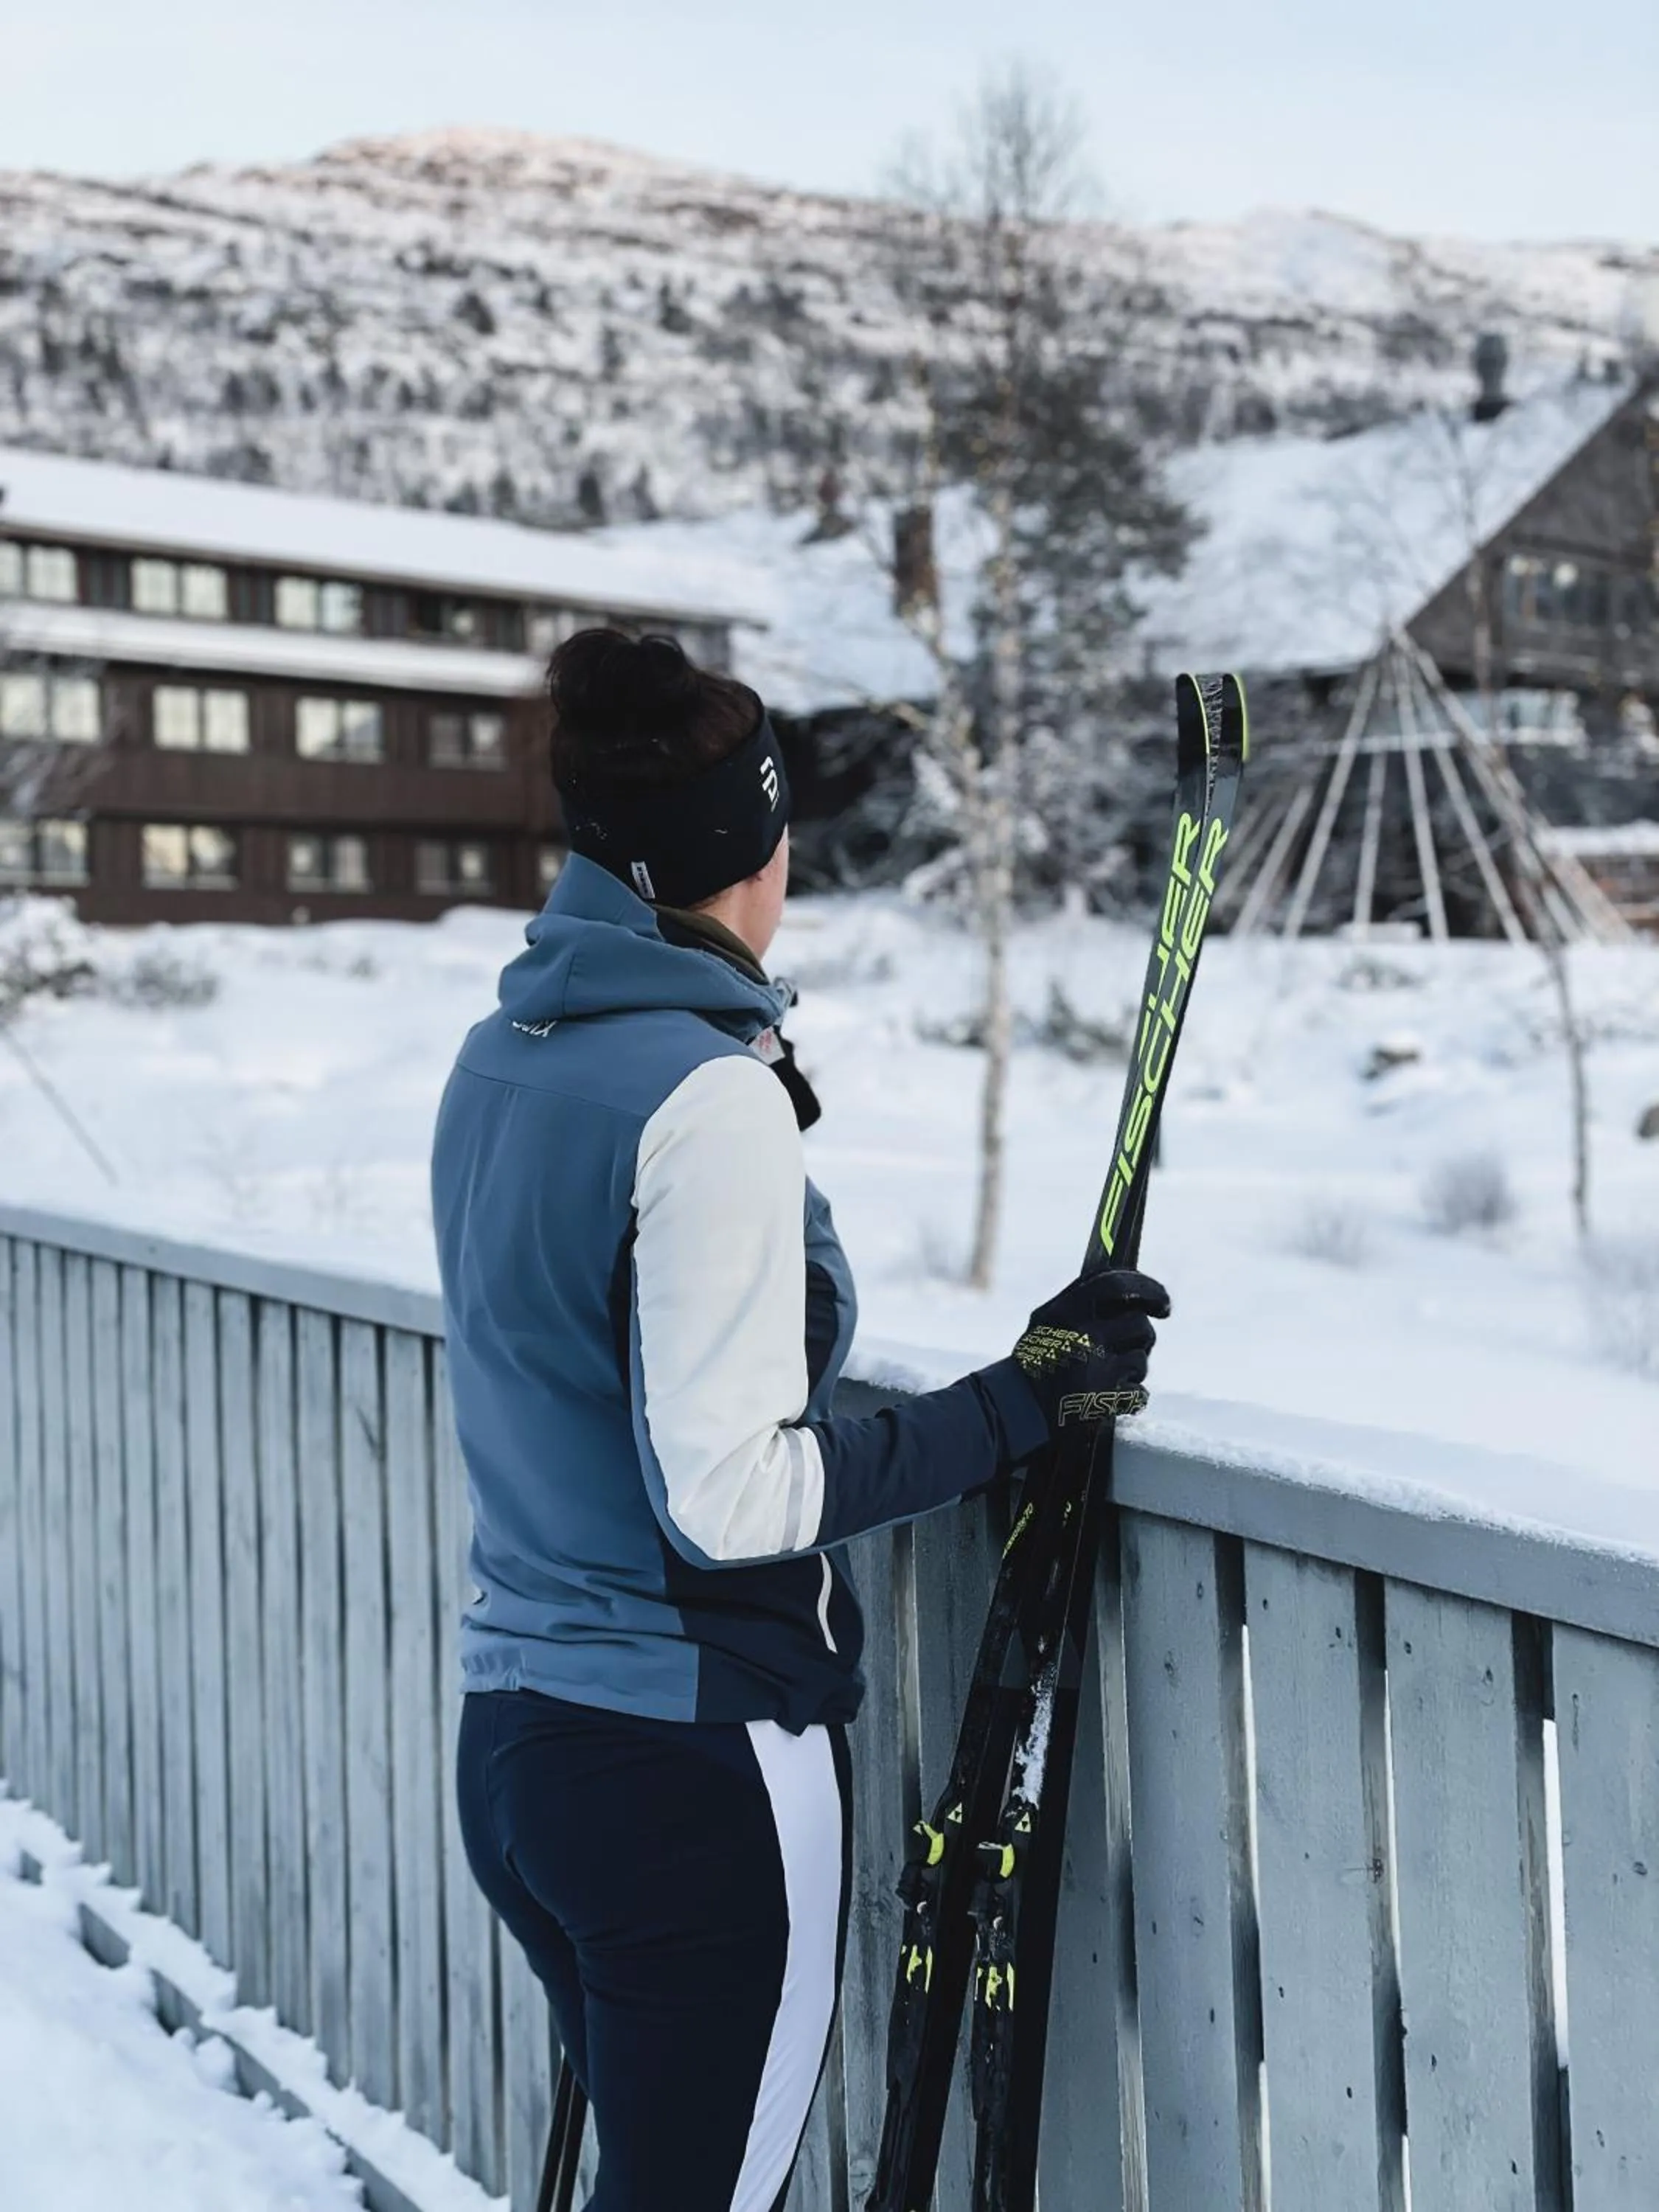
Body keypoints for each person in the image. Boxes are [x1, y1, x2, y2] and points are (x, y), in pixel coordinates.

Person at [431, 629, 1169, 2212]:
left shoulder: (505, 1056)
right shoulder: (702, 1099)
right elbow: (732, 1499)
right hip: (690, 1767)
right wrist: (1017, 1404)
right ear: (750, 854)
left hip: (520, 1749)